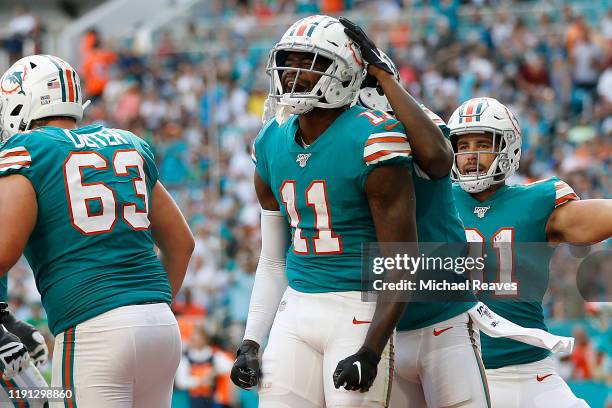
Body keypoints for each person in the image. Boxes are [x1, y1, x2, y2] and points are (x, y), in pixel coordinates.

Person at [231, 14, 419, 407]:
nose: (293, 71)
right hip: (296, 306)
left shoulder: (374, 137)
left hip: (358, 306)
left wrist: (371, 350)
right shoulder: (270, 142)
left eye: (308, 62)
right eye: (290, 60)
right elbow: (271, 260)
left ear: (345, 71)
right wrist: (250, 341)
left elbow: (401, 263)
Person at [0, 54, 195, 407]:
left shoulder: (28, 150)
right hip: (161, 327)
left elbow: (2, 252)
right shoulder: (127, 142)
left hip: (95, 329)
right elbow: (182, 243)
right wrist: (145, 308)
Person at [341, 18, 491, 407]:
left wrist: (385, 80)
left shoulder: (406, 123)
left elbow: (440, 160)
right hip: (377, 327)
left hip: (440, 316)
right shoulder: (336, 139)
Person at [449, 96, 612, 407]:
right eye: (463, 145)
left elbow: (590, 220)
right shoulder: (435, 200)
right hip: (457, 373)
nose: (470, 155)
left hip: (529, 372)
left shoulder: (535, 200)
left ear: (508, 147)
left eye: (482, 144)